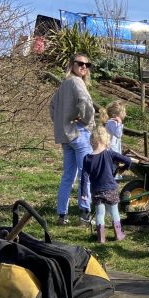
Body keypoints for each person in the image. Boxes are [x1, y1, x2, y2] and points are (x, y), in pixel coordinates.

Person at [50, 53, 96, 225]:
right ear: (72, 64)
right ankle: (84, 214)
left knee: (68, 175)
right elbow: (85, 102)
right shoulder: (77, 82)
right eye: (80, 63)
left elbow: (52, 106)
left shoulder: (64, 84)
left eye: (87, 64)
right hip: (79, 133)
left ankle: (62, 215)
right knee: (85, 175)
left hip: (66, 135)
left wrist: (61, 123)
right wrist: (85, 122)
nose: (84, 67)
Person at [80, 127, 132, 243]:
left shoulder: (87, 158)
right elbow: (128, 160)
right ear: (106, 141)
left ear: (92, 141)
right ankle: (119, 235)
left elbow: (84, 177)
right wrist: (123, 168)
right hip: (110, 189)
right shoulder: (109, 154)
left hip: (96, 191)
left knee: (100, 213)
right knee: (114, 212)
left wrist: (83, 193)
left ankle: (101, 238)